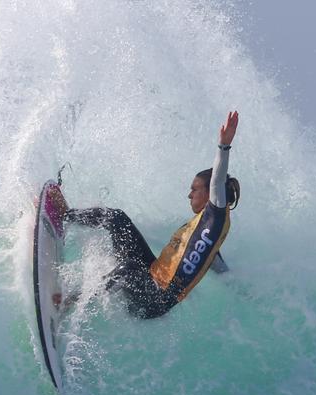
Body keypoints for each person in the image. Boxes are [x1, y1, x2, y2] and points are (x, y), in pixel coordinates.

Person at [63, 111, 240, 319]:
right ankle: (65, 215)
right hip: (150, 274)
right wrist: (232, 281)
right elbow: (212, 258)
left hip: (154, 300)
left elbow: (217, 181)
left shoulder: (216, 214)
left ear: (209, 192)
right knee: (117, 218)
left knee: (128, 269)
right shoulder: (206, 228)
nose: (189, 195)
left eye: (194, 189)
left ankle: (69, 303)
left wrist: (224, 146)